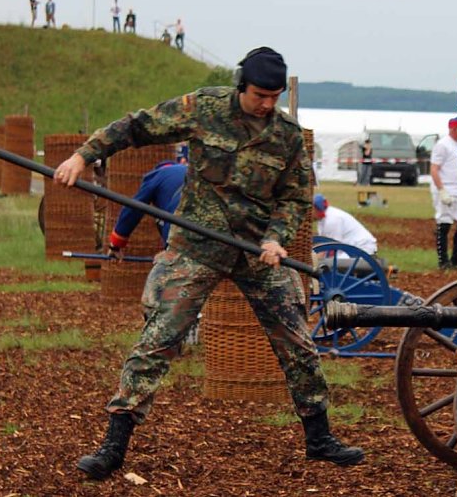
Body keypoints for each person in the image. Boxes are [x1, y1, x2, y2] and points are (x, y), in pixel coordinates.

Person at [54, 46, 364, 481]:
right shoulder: (204, 108)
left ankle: (319, 437)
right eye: (260, 94)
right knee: (158, 338)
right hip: (197, 245)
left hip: (257, 251)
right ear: (241, 85)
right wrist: (83, 156)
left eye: (275, 96)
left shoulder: (287, 135)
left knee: (297, 341)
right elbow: (137, 126)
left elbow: (294, 197)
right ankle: (113, 445)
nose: (267, 104)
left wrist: (277, 237)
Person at [108, 161, 187, 256]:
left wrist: (116, 244)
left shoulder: (158, 175)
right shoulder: (189, 171)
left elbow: (134, 208)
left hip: (179, 230)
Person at [430, 116, 457, 269]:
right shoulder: (442, 145)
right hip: (445, 189)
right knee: (444, 224)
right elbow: (434, 169)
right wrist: (441, 190)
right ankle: (443, 261)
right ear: (454, 129)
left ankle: (456, 256)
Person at [313, 194, 377, 256]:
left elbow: (333, 248)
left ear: (316, 209)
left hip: (362, 247)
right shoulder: (322, 221)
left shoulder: (332, 219)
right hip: (351, 248)